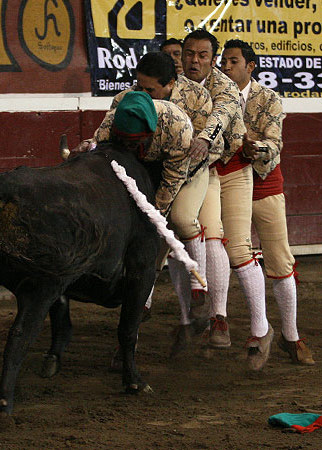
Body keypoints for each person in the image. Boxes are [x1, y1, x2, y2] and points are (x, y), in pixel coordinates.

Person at [95, 52, 215, 354]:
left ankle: (197, 282)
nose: (142, 94)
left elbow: (178, 171)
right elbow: (106, 142)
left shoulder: (194, 101)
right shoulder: (126, 101)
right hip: (143, 170)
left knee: (181, 218)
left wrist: (155, 213)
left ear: (171, 84)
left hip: (188, 167)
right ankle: (140, 302)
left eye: (150, 90)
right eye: (139, 87)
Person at [181, 29, 273, 370]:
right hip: (204, 171)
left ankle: (261, 330)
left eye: (202, 55)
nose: (194, 60)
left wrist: (204, 138)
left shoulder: (225, 87)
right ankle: (218, 319)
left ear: (212, 59)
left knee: (238, 249)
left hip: (232, 169)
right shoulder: (175, 85)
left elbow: (219, 118)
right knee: (210, 237)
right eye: (189, 53)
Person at [219, 39, 314, 364]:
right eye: (224, 61)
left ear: (251, 66)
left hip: (263, 185)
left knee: (279, 260)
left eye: (233, 61)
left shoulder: (268, 98)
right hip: (225, 186)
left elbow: (273, 143)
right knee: (230, 254)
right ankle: (229, 324)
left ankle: (291, 335)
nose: (226, 66)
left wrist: (252, 148)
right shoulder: (213, 95)